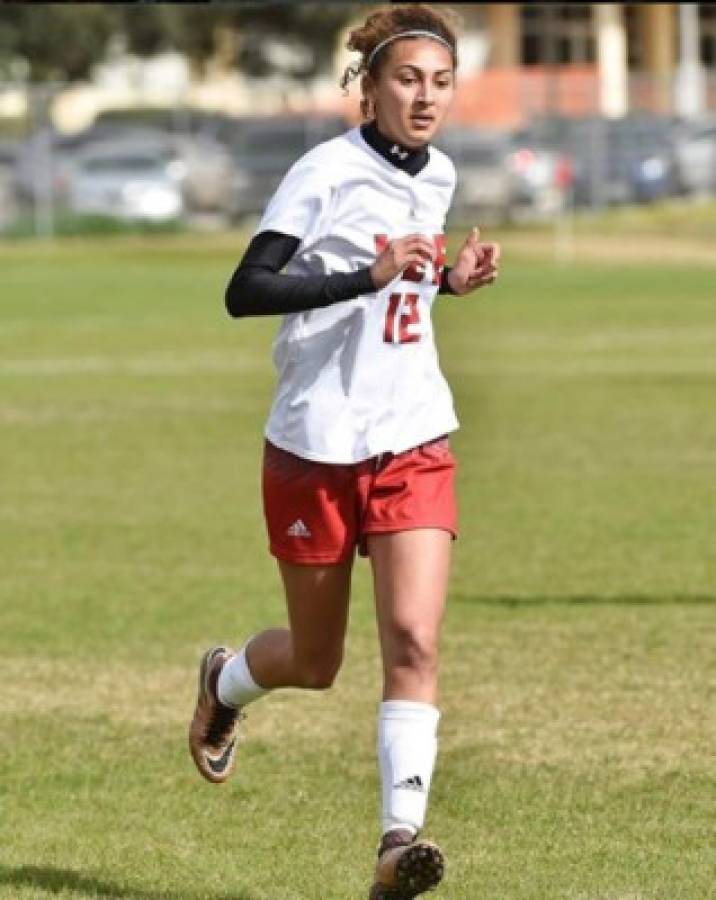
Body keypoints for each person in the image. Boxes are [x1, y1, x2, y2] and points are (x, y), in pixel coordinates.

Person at [189, 4, 500, 898]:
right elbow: (246, 290)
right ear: (366, 87)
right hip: (315, 443)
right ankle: (226, 679)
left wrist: (445, 279)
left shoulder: (438, 173)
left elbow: (400, 287)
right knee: (317, 662)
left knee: (413, 638)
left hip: (413, 434)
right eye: (407, 79)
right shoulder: (323, 171)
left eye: (440, 83)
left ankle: (399, 842)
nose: (426, 97)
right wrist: (364, 274)